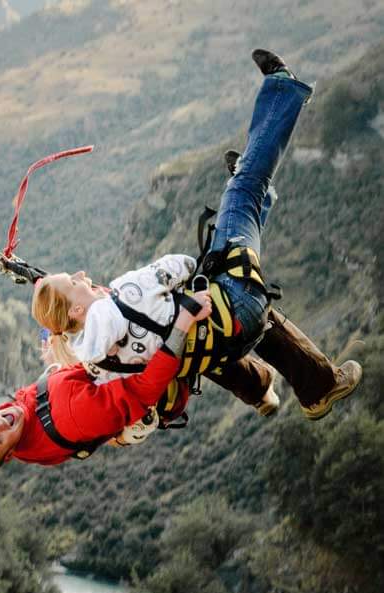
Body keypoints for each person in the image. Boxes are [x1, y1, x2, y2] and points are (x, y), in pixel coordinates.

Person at [31, 49, 361, 425]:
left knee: (240, 219)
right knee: (243, 191)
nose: (81, 275)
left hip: (221, 347)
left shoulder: (103, 362)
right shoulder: (126, 294)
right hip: (238, 304)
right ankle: (281, 89)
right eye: (73, 283)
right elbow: (177, 266)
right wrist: (181, 274)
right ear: (75, 310)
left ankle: (312, 387)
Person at [0, 298, 211, 473]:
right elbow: (143, 390)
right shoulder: (71, 416)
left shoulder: (27, 421)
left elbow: (55, 393)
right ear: (8, 454)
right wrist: (183, 322)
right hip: (156, 362)